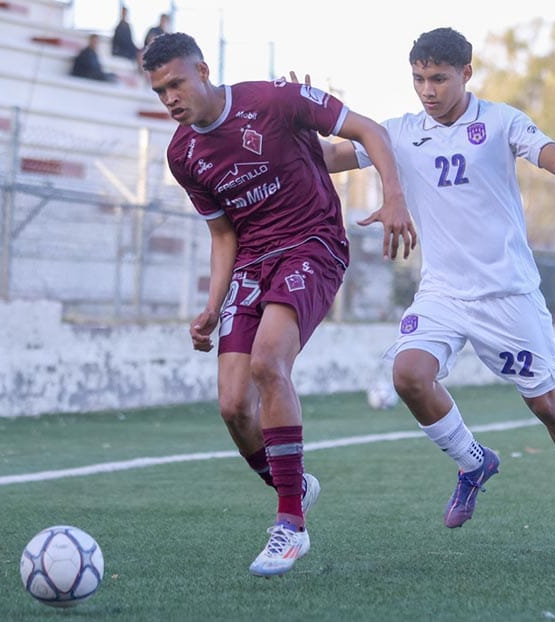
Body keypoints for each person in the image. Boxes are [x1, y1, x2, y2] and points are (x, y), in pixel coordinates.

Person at [312, 26, 555, 566]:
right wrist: (299, 122)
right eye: (418, 79)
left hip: (508, 295)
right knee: (408, 375)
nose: (426, 90)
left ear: (466, 74)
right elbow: (330, 157)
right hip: (444, 293)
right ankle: (474, 463)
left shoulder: (501, 121)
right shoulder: (399, 131)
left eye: (438, 78)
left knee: (547, 405)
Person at [141, 32, 416, 577]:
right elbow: (223, 236)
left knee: (270, 362)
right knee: (232, 406)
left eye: (175, 83)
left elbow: (369, 130)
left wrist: (394, 198)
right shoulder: (182, 154)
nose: (169, 98)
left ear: (202, 70)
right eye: (159, 90)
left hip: (312, 243)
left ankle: (290, 524)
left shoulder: (272, 100)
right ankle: (295, 486)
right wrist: (211, 304)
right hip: (251, 260)